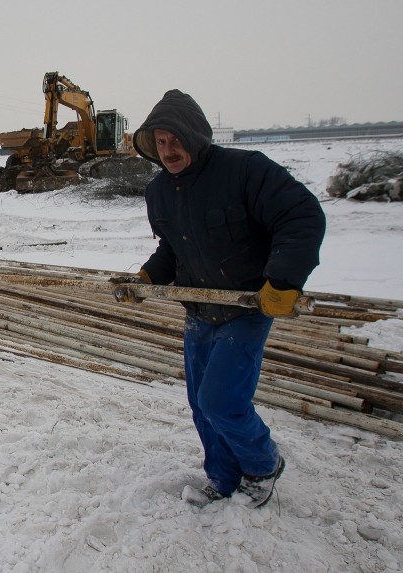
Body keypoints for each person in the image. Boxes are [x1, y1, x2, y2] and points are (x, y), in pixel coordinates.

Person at [125, 90, 325, 508]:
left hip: (247, 308)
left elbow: (301, 215)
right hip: (200, 311)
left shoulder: (244, 171)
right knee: (201, 404)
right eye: (159, 142)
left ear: (195, 135)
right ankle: (223, 476)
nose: (168, 149)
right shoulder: (159, 191)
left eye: (175, 139)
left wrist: (284, 280)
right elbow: (172, 248)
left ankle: (263, 465)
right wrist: (146, 278)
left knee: (221, 400)